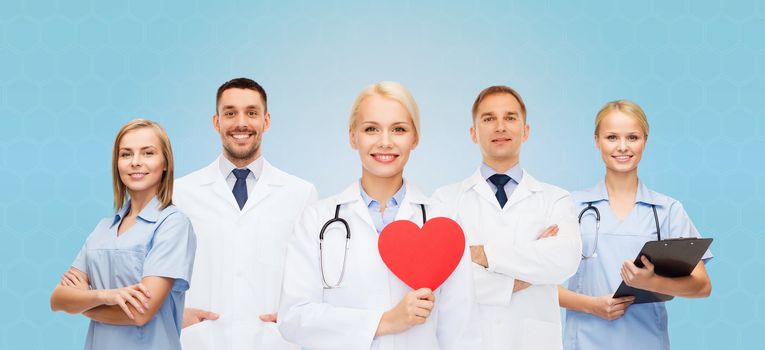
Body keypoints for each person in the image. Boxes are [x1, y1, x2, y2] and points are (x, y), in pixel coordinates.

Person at [278, 81, 481, 349]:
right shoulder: (316, 221)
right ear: (353, 137)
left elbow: (461, 332)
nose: (385, 142)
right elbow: (294, 318)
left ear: (415, 138)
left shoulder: (443, 224)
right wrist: (384, 322)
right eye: (371, 129)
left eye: (398, 129)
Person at [432, 85, 582, 350]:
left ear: (525, 131)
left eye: (510, 118)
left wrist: (480, 255)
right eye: (488, 119)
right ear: (473, 133)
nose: (500, 127)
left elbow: (565, 259)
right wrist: (533, 272)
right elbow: (442, 279)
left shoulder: (555, 198)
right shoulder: (445, 200)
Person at [175, 77, 317, 349]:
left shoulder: (301, 193)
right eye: (230, 113)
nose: (241, 123)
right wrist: (174, 315)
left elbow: (313, 275)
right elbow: (161, 271)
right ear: (216, 122)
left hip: (274, 341)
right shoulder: (180, 193)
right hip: (203, 340)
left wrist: (297, 318)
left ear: (266, 121)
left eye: (251, 113)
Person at [559, 100, 713, 350]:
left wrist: (652, 283)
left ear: (645, 141)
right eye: (611, 137)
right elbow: (538, 285)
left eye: (632, 137)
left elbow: (702, 286)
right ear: (597, 140)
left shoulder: (667, 211)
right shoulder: (569, 206)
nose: (622, 147)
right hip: (585, 342)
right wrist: (593, 306)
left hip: (646, 341)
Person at [50, 119, 196, 349]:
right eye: (126, 154)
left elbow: (140, 313)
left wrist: (83, 303)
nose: (135, 162)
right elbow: (58, 300)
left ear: (165, 162)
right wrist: (105, 297)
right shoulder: (103, 229)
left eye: (148, 153)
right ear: (117, 163)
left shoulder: (172, 224)